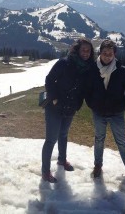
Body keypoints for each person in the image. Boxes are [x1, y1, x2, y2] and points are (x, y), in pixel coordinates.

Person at [85, 39, 125, 184]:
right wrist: (91, 104)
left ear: (114, 54)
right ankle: (97, 166)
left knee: (121, 142)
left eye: (110, 54)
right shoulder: (93, 69)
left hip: (117, 113)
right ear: (100, 53)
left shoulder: (120, 70)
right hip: (99, 112)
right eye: (105, 53)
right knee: (99, 140)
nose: (107, 56)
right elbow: (87, 89)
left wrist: (124, 105)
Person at [41, 37, 94, 183]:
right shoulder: (64, 63)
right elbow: (49, 80)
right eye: (83, 50)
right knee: (51, 139)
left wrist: (78, 104)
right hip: (55, 107)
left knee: (63, 135)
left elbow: (84, 89)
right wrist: (54, 99)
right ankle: (45, 172)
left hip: (70, 107)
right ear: (76, 50)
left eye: (88, 50)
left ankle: (61, 161)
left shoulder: (87, 68)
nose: (86, 53)